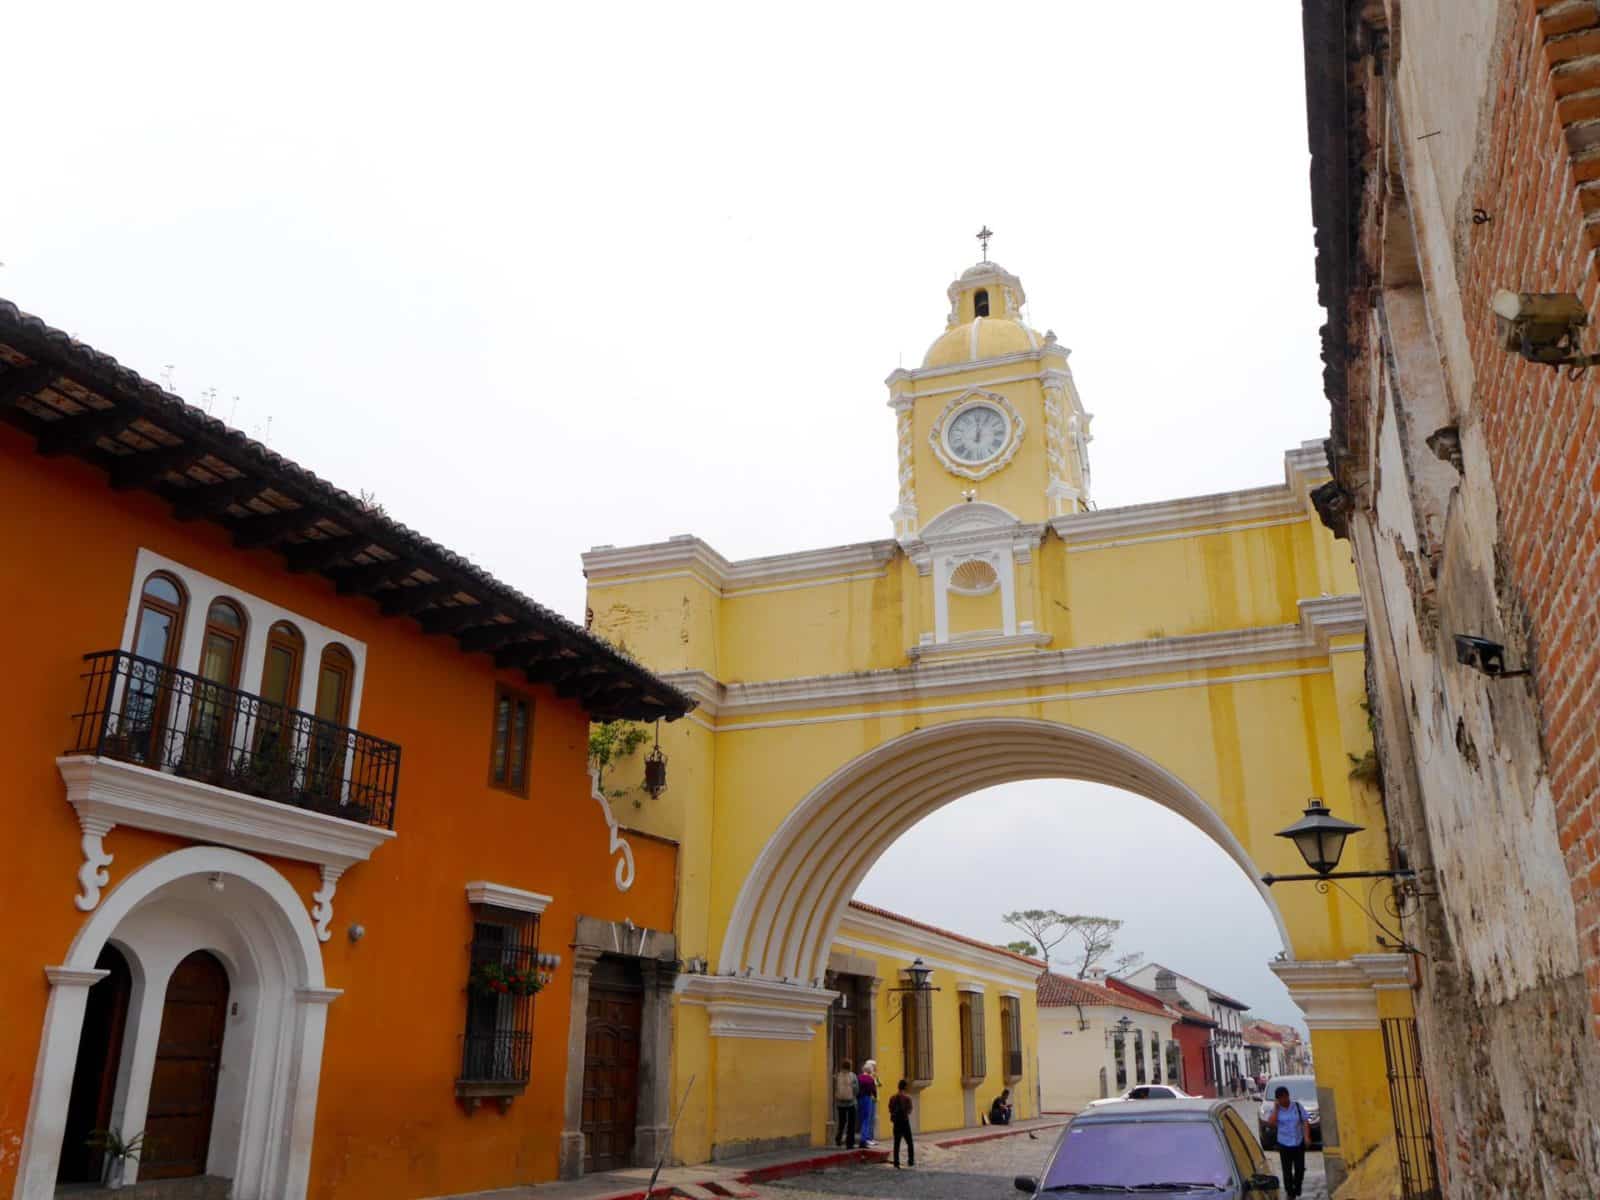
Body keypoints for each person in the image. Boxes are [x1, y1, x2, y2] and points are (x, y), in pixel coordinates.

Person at [1271, 1085, 1310, 1199]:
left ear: (1288, 1096)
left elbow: (1305, 1121)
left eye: (1285, 1097)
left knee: (1300, 1169)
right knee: (1287, 1171)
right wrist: (1276, 1109)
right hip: (1284, 1144)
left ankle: (1297, 1187)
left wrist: (1307, 1137)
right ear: (1278, 1099)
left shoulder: (1297, 1106)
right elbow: (1272, 1123)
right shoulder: (1277, 1110)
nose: (1283, 1100)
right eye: (1280, 1098)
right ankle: (1290, 1193)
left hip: (1298, 1142)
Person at [888, 1078, 915, 1168]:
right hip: (905, 1121)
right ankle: (911, 1161)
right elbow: (909, 1110)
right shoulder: (907, 1098)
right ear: (905, 1088)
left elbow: (890, 1108)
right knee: (910, 1142)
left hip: (896, 1122)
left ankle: (896, 1162)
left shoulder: (892, 1098)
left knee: (896, 1143)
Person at [833, 1059, 859, 1149]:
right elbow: (856, 1089)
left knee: (841, 1122)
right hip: (851, 1103)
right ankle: (849, 1143)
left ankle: (838, 1139)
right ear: (850, 1066)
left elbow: (835, 1088)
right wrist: (854, 1096)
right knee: (851, 1123)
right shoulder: (853, 1076)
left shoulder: (838, 1075)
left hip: (840, 1103)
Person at [857, 1059, 880, 1147]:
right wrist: (875, 1096)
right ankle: (864, 1139)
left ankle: (865, 1138)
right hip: (867, 1099)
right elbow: (873, 1090)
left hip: (860, 1099)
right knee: (867, 1119)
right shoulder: (870, 1079)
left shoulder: (859, 1077)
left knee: (863, 1119)